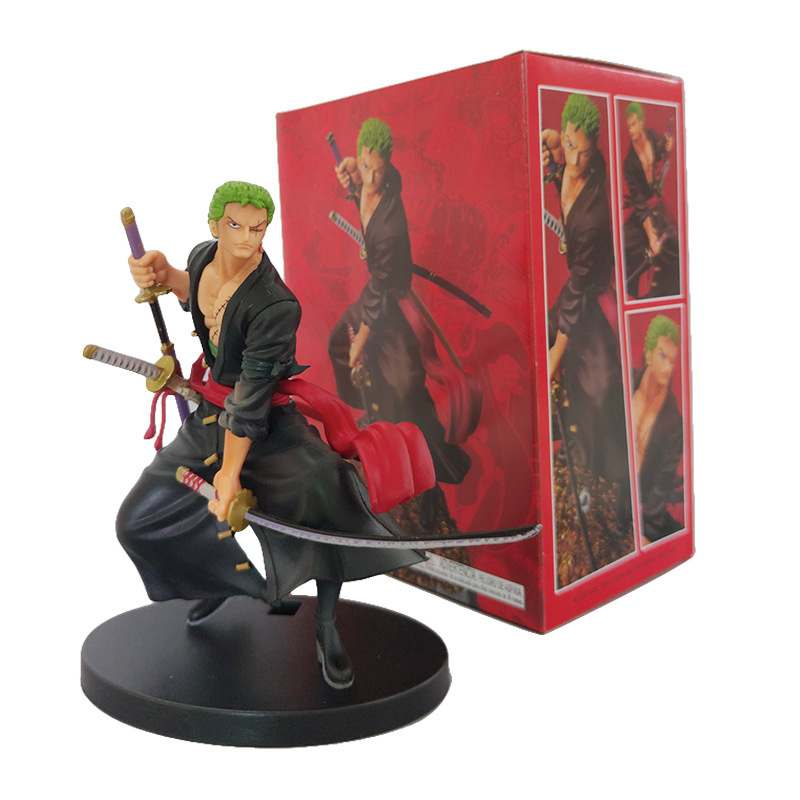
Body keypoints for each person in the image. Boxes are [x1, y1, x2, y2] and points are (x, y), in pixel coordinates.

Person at [117, 181, 424, 689]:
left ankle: (326, 622)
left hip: (267, 423)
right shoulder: (202, 257)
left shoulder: (276, 305)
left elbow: (251, 399)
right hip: (209, 417)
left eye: (257, 228)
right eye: (235, 226)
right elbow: (196, 294)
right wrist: (163, 273)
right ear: (214, 226)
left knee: (327, 493)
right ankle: (220, 580)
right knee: (137, 521)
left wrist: (229, 475)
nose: (247, 238)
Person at [327, 118, 471, 487]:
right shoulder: (372, 180)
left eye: (378, 170)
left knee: (405, 388)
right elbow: (367, 179)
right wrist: (351, 171)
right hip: (376, 293)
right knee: (338, 344)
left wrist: (361, 341)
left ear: (387, 167)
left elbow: (380, 289)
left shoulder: (389, 221)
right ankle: (371, 414)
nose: (371, 178)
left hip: (388, 301)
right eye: (365, 166)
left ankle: (433, 459)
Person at [541, 94, 631, 504]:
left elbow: (578, 288)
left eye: (583, 151)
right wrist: (554, 146)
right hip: (574, 292)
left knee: (599, 388)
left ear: (595, 147)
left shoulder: (595, 208)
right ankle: (564, 441)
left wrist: (557, 353)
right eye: (570, 145)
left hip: (590, 299)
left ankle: (614, 481)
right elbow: (560, 155)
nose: (575, 159)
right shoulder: (565, 160)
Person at [631, 315, 684, 542]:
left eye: (672, 360)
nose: (668, 368)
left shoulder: (674, 423)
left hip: (641, 506)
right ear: (648, 355)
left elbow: (661, 488)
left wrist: (647, 534)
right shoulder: (625, 382)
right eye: (662, 356)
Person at [621, 101, 680, 299]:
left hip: (659, 208)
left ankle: (667, 295)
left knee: (675, 248)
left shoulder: (652, 136)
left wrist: (667, 146)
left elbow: (660, 154)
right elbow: (639, 202)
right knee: (624, 247)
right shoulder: (629, 163)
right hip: (643, 212)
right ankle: (629, 298)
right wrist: (651, 236)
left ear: (641, 122)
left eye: (634, 124)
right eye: (628, 126)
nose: (631, 130)